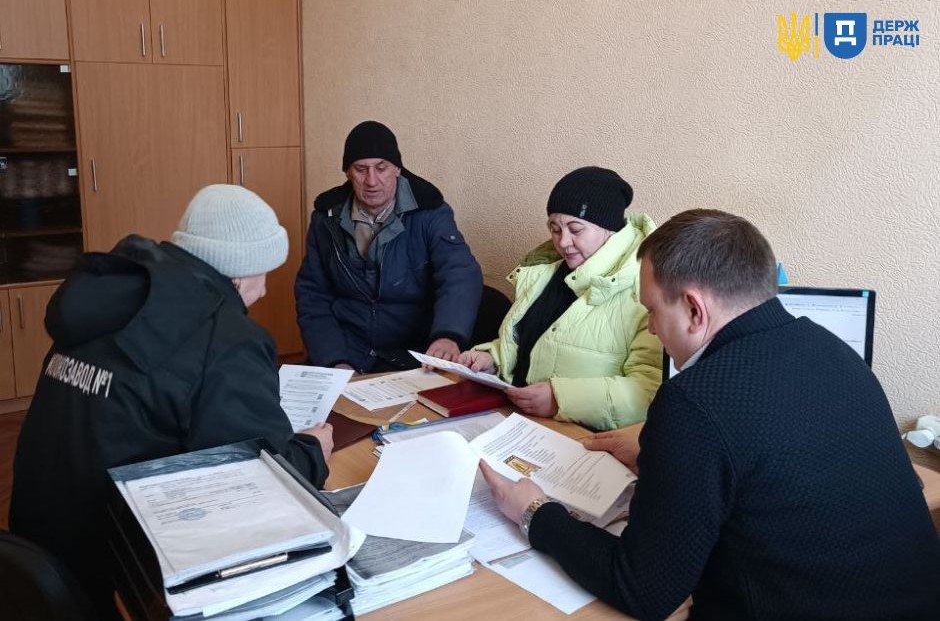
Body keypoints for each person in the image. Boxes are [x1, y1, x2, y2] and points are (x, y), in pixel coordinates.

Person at [481, 209, 940, 620]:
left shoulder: (693, 402)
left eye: (651, 311)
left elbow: (642, 590)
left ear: (694, 310)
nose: (652, 328)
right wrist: (670, 462)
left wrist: (536, 513)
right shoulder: (833, 351)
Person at [10, 184, 334, 619]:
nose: (264, 290)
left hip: (38, 559)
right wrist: (313, 449)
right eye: (264, 271)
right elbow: (261, 478)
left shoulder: (113, 300)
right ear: (239, 272)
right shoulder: (224, 337)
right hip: (126, 581)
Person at [458, 167, 661, 431]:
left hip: (585, 438)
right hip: (523, 424)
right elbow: (535, 343)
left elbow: (649, 390)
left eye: (575, 229)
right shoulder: (547, 272)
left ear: (610, 228)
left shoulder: (646, 286)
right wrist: (492, 359)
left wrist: (561, 399)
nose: (563, 242)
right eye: (555, 229)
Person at [295, 121, 483, 373]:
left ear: (397, 169)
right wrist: (334, 359)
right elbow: (312, 295)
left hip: (412, 354)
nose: (372, 180)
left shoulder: (430, 213)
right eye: (361, 169)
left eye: (381, 168)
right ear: (348, 173)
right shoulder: (326, 219)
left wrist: (448, 335)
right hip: (347, 351)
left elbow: (459, 274)